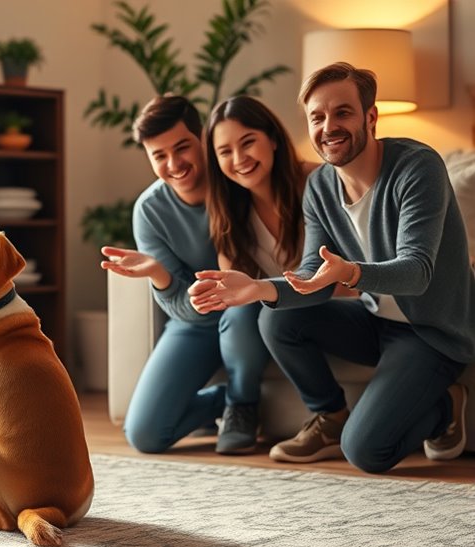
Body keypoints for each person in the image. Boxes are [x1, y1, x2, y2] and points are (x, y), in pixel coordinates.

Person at [189, 62, 474, 473]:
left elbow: (418, 271)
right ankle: (329, 417)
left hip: (432, 331)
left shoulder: (417, 167)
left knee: (366, 452)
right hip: (377, 321)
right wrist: (257, 288)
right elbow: (312, 277)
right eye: (317, 117)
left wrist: (351, 272)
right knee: (276, 321)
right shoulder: (321, 186)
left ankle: (446, 406)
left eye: (343, 112)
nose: (329, 127)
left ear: (370, 117)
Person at [100, 94, 272, 455]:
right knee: (145, 435)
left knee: (240, 307)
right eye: (159, 156)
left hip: (248, 311)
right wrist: (161, 276)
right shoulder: (149, 210)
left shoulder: (236, 180)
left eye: (182, 148)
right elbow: (181, 305)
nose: (174, 163)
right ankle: (220, 401)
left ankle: (243, 406)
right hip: (193, 323)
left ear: (203, 139)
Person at [201, 95, 322, 452]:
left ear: (272, 138)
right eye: (225, 151)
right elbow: (231, 287)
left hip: (325, 304)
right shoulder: (226, 207)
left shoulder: (317, 181)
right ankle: (240, 407)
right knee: (238, 307)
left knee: (255, 305)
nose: (239, 160)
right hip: (266, 314)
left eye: (248, 142)